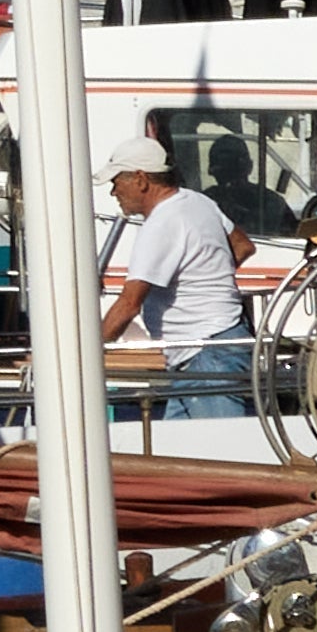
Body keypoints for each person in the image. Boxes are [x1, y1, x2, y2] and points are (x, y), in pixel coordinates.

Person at [98, 133, 253, 420]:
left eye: (116, 182)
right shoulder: (197, 201)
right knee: (182, 452)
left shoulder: (160, 224)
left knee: (226, 450)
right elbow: (243, 246)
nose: (113, 192)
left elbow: (129, 304)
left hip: (205, 354)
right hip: (208, 349)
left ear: (141, 180)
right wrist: (206, 276)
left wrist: (86, 354)